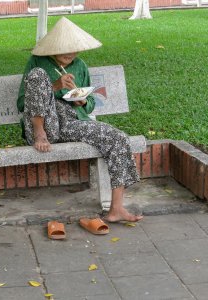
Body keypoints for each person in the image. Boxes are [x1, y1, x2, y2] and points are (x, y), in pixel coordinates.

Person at [17, 17, 143, 223]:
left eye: (75, 49)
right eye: (66, 49)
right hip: (44, 125)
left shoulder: (80, 66)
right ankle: (40, 134)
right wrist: (55, 86)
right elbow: (22, 103)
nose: (71, 53)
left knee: (117, 137)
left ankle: (116, 209)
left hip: (71, 122)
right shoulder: (37, 63)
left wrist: (82, 102)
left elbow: (91, 102)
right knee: (39, 76)